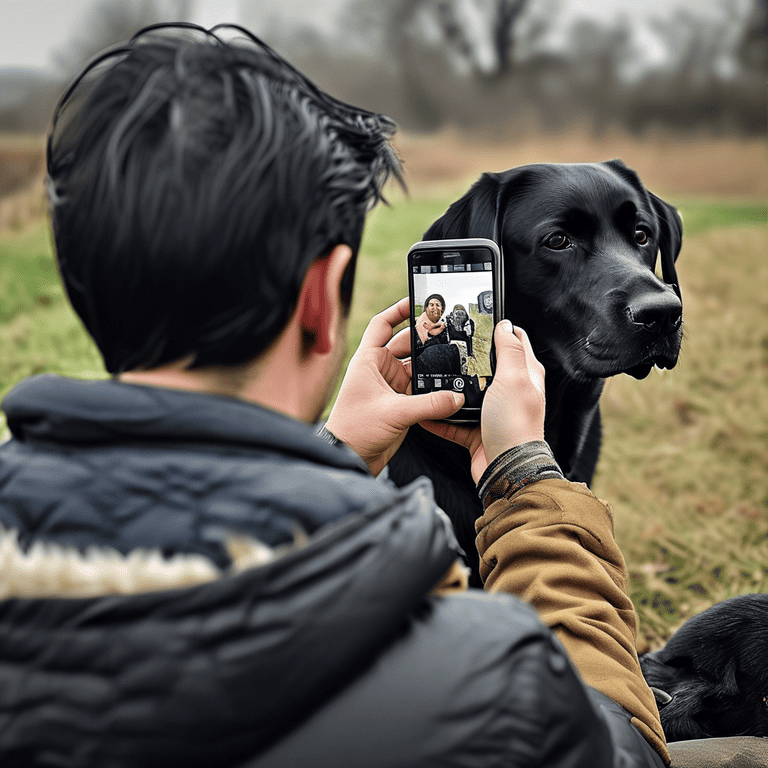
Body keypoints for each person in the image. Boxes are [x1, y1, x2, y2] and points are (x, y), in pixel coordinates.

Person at [0, 23, 668, 768]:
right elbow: (614, 749)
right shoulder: (470, 657)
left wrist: (336, 453)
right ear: (322, 296)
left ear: (82, 278)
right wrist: (527, 483)